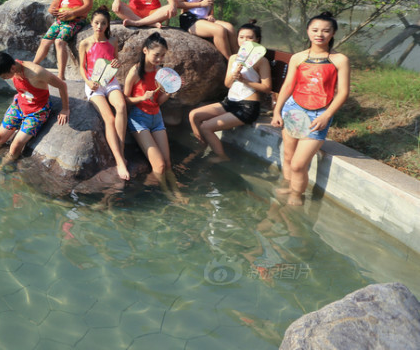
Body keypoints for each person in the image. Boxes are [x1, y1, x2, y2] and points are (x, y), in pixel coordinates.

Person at [272, 12, 350, 206]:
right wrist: (276, 111)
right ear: (308, 31)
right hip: (293, 109)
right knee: (289, 156)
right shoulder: (298, 57)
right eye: (315, 30)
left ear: (333, 33)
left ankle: (297, 196)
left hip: (319, 114)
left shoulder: (339, 59)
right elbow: (288, 86)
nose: (319, 34)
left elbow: (343, 92)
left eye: (326, 30)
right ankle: (289, 185)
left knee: (299, 164)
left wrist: (327, 115)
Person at [0, 52, 70, 183]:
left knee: (16, 145)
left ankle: (1, 168)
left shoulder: (37, 72)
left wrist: (65, 109)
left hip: (37, 110)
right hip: (20, 104)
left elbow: (62, 85)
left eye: (5, 77)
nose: (5, 79)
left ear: (13, 68)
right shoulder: (11, 65)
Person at [188, 20, 272, 161]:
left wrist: (244, 80)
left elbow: (267, 88)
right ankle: (202, 144)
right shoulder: (234, 58)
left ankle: (221, 156)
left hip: (247, 106)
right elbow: (227, 84)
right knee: (194, 115)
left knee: (206, 127)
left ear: (257, 40)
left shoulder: (262, 61)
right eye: (241, 37)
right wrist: (235, 75)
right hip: (229, 102)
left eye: (249, 38)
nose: (245, 40)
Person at [124, 32, 183, 201]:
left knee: (168, 163)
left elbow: (160, 100)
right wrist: (142, 98)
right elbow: (125, 99)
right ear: (145, 50)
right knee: (160, 165)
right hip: (139, 120)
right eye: (156, 55)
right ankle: (167, 194)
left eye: (162, 55)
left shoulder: (160, 73)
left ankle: (177, 192)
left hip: (157, 118)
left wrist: (172, 91)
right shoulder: (135, 71)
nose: (159, 59)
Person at [77, 7, 129, 180]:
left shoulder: (113, 41)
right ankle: (119, 160)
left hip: (111, 81)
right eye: (97, 23)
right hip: (94, 85)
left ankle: (120, 152)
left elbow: (116, 61)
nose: (99, 26)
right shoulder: (85, 43)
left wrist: (116, 63)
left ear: (107, 25)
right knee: (110, 119)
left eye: (103, 23)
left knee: (121, 106)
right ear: (91, 23)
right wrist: (89, 82)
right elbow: (82, 68)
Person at [33, 0, 94, 80]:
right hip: (60, 20)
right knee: (45, 41)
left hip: (76, 20)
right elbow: (55, 3)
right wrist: (52, 10)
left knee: (59, 41)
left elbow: (88, 6)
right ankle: (33, 67)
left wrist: (72, 14)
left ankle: (61, 76)